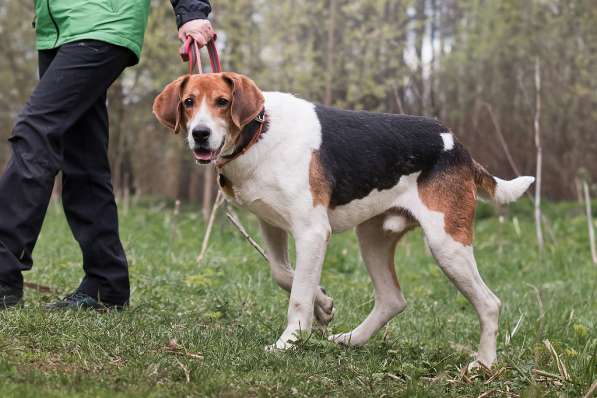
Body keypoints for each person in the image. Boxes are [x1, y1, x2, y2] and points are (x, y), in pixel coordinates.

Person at [0, 0, 215, 310]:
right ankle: (105, 284)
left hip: (102, 19)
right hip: (55, 26)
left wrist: (191, 12)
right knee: (82, 153)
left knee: (36, 129)